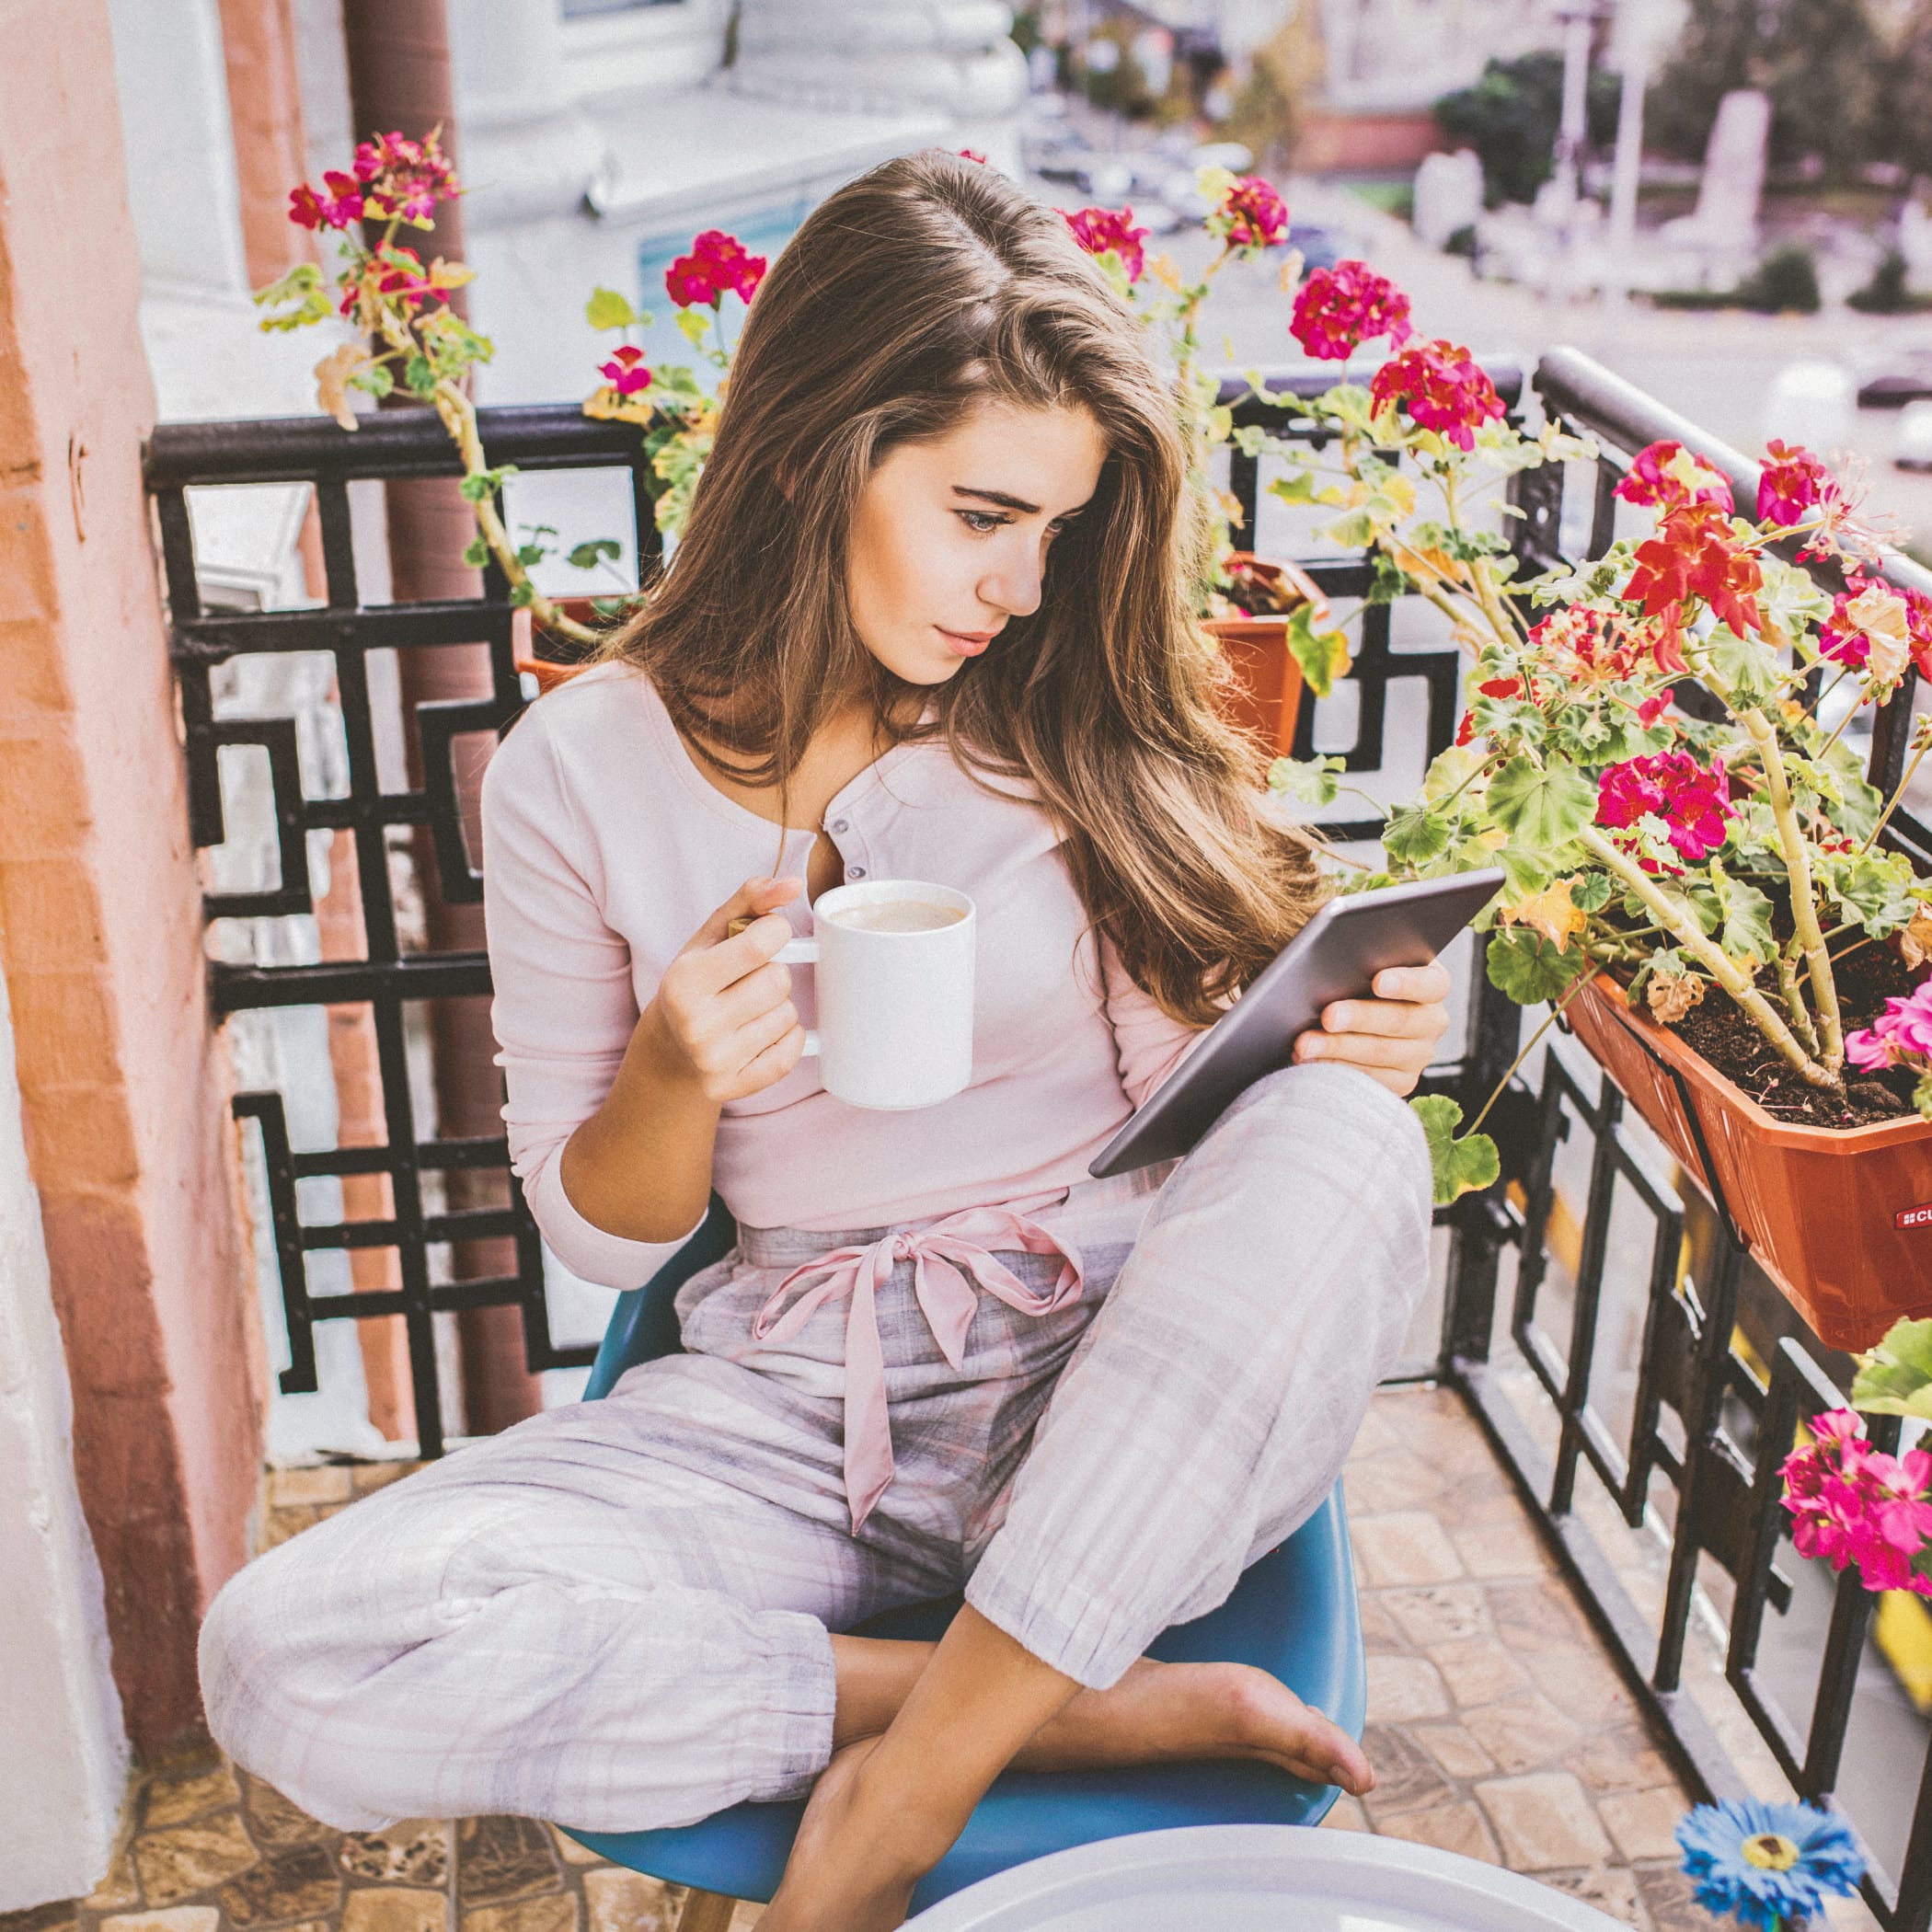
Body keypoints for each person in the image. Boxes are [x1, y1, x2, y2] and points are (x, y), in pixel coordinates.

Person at [200, 151, 1447, 1931]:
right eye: (980, 513)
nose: (1023, 585)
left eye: (1060, 530)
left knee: (1350, 1145)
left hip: (1126, 1397)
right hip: (794, 1409)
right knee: (290, 1653)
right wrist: (673, 1078)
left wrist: (1364, 1039)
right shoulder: (583, 772)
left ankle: (906, 1796)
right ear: (818, 449)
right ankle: (1058, 1714)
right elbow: (601, 1234)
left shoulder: (1071, 708)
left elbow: (1237, 1123)